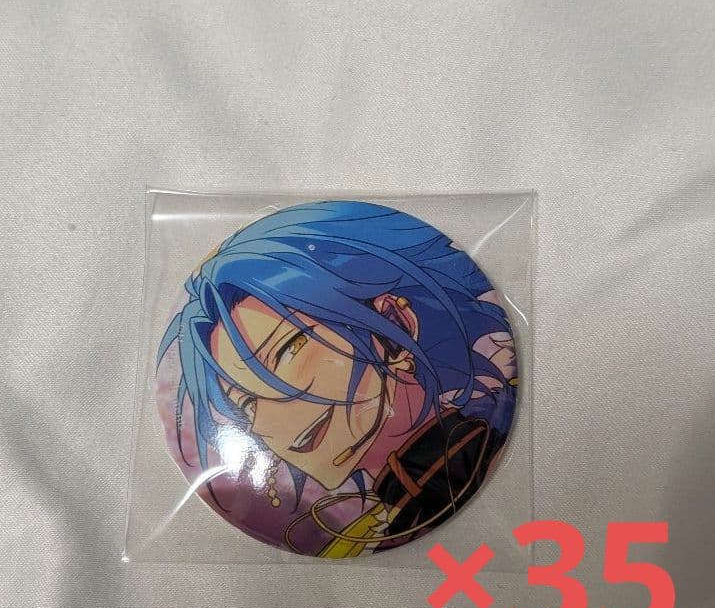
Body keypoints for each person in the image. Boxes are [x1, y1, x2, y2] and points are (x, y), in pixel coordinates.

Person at [157, 201, 517, 557]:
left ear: (394, 324)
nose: (265, 421)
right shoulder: (359, 534)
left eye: (285, 352)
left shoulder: (488, 444)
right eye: (246, 403)